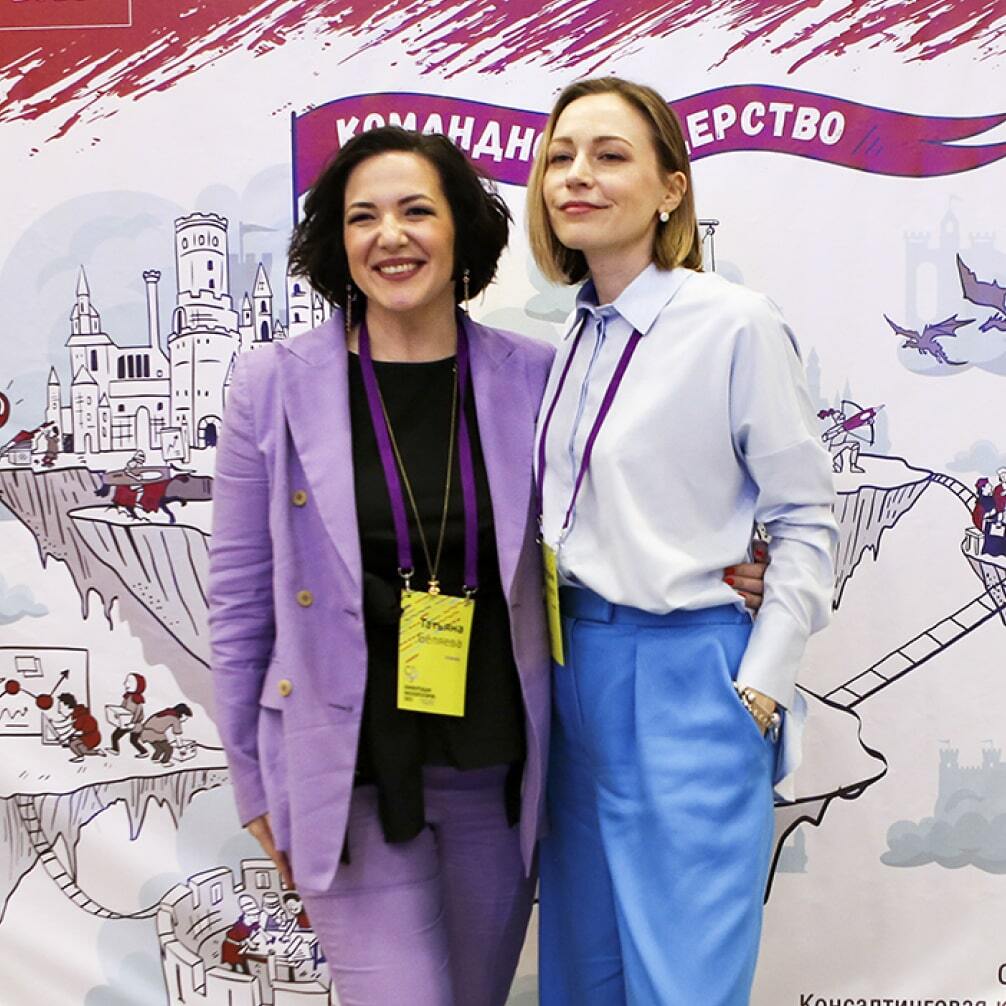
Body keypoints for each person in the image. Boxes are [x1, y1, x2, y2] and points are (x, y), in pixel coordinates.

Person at [208, 125, 767, 1006]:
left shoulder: (537, 376)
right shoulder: (270, 385)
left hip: (494, 775)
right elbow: (240, 604)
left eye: (416, 211)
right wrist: (251, 782)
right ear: (336, 243)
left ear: (461, 230)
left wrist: (734, 565)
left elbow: (622, 516)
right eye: (362, 217)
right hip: (347, 774)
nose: (390, 236)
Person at [526, 77, 839, 1006]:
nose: (576, 175)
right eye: (561, 157)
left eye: (609, 155)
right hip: (570, 672)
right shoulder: (575, 336)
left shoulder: (732, 322)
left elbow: (806, 518)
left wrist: (761, 685)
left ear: (671, 189)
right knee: (583, 977)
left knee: (684, 984)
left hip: (685, 677)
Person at [109, 672, 147, 756]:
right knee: (115, 736)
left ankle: (144, 752)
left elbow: (138, 713)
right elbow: (122, 708)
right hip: (125, 722)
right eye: (126, 681)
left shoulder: (138, 701)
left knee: (133, 740)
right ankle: (115, 749)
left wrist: (133, 723)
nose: (125, 684)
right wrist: (117, 714)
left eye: (129, 682)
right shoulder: (127, 697)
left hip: (135, 724)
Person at [57, 692, 102, 762]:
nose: (59, 711)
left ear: (67, 705)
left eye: (60, 707)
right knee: (82, 749)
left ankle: (80, 756)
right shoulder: (78, 713)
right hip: (91, 736)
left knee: (73, 744)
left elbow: (73, 730)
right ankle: (98, 752)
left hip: (91, 737)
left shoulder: (80, 716)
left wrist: (63, 738)